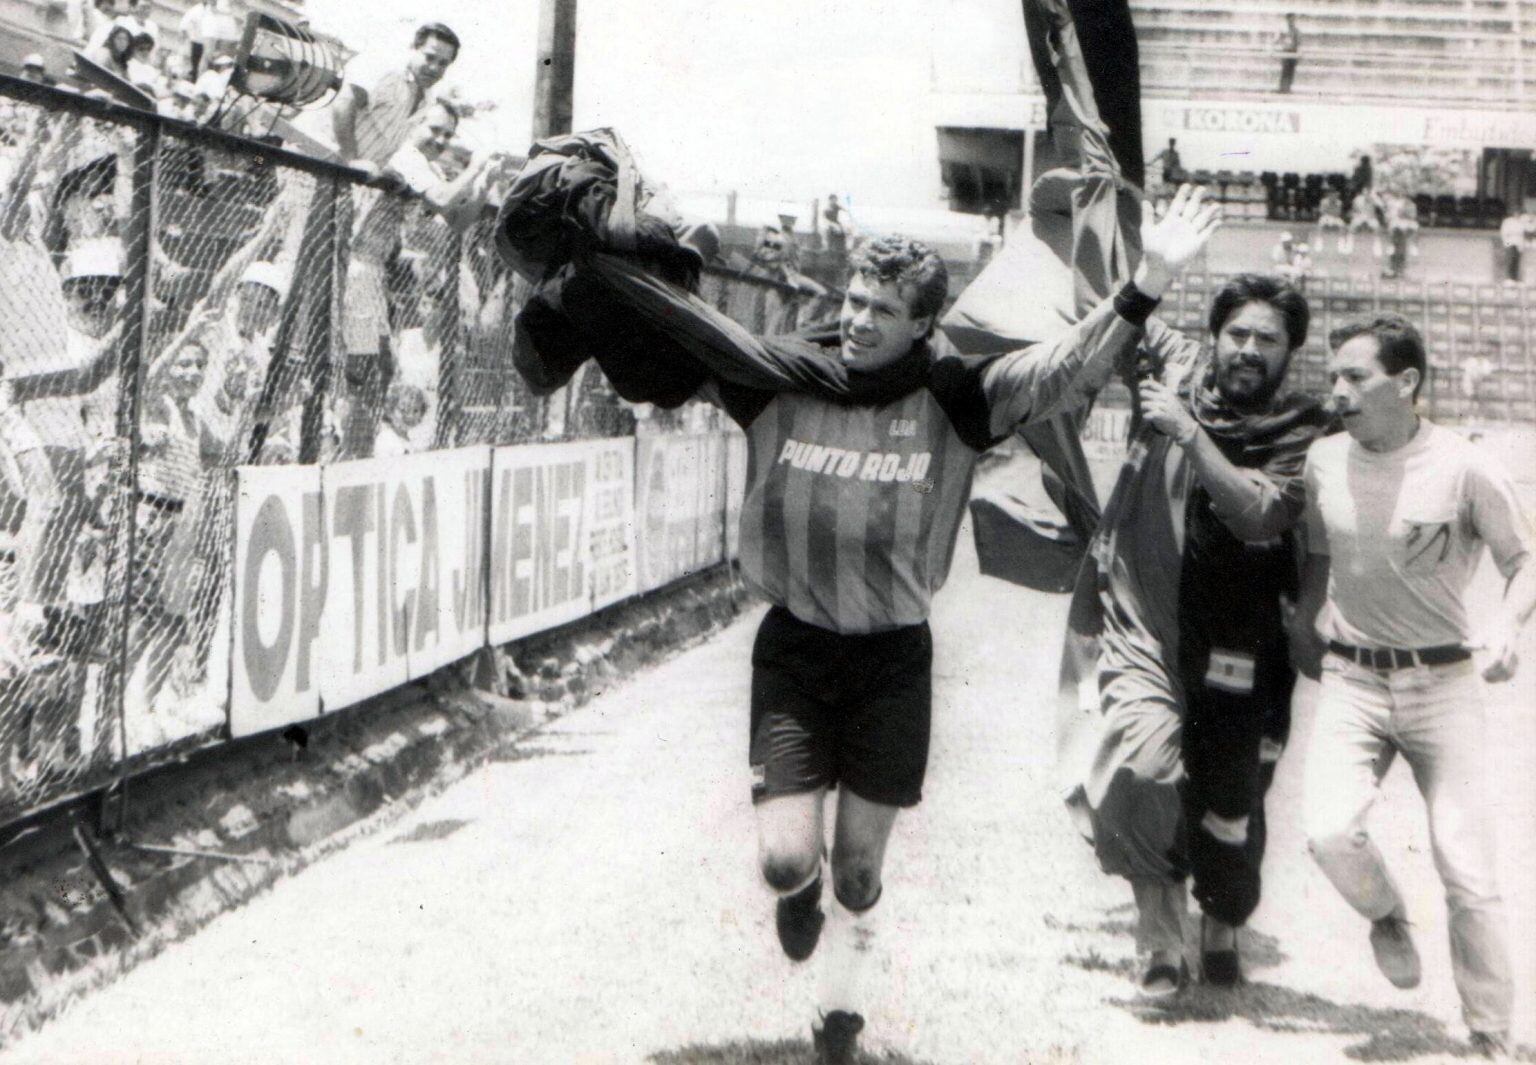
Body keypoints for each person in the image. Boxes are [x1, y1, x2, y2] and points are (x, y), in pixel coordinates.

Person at [509, 162, 1218, 1056]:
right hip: (797, 651)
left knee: (858, 870)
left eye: (880, 311)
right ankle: (796, 896)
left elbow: (1063, 370)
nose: (854, 319)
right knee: (786, 861)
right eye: (852, 299)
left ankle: (840, 1006)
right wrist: (603, 276)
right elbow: (686, 341)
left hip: (891, 659)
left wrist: (1146, 280)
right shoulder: (780, 374)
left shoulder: (959, 396)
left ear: (923, 325)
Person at [1061, 274, 1329, 996]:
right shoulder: (1175, 371)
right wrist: (1150, 270)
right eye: (1237, 333)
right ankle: (1158, 936)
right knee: (1146, 768)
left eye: (1267, 338)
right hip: (1147, 626)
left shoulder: (1305, 431)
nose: (1247, 348)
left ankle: (1224, 917)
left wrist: (1189, 430)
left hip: (1247, 643)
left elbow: (1261, 515)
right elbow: (1112, 328)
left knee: (1232, 800)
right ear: (1213, 336)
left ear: (1290, 352)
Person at [1292, 314, 1535, 1060]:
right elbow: (1317, 553)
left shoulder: (1465, 465)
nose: (1337, 391)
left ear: (1408, 383)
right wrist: (1307, 626)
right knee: (1328, 829)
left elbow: (1523, 559)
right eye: (1332, 376)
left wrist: (1508, 628)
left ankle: (1492, 1035)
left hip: (1443, 683)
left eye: (1355, 376)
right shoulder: (1324, 460)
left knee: (1467, 863)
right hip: (1354, 676)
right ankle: (1387, 913)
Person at [310, 22, 460, 173]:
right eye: (429, 57)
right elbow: (344, 103)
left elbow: (387, 144)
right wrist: (351, 160)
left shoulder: (428, 99)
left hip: (342, 174)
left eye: (443, 63)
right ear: (413, 48)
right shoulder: (386, 69)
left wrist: (389, 173)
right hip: (311, 156)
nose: (434, 67)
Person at [1275, 13, 1300, 93]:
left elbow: (1298, 42)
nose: (1291, 21)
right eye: (1289, 19)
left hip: (1293, 51)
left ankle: (1288, 88)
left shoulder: (1296, 31)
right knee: (1284, 71)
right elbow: (1277, 40)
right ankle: (1282, 88)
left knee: (1290, 71)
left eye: (1292, 19)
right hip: (1286, 51)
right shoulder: (1283, 31)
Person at [1500, 210, 1524, 284]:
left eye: (1519, 213)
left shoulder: (1521, 222)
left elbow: (1522, 234)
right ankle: (1509, 279)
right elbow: (1504, 233)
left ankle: (1516, 279)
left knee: (1517, 262)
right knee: (1510, 261)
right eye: (1516, 213)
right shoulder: (1507, 221)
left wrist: (1521, 246)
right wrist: (1506, 243)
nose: (1517, 214)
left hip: (1519, 243)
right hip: (1510, 243)